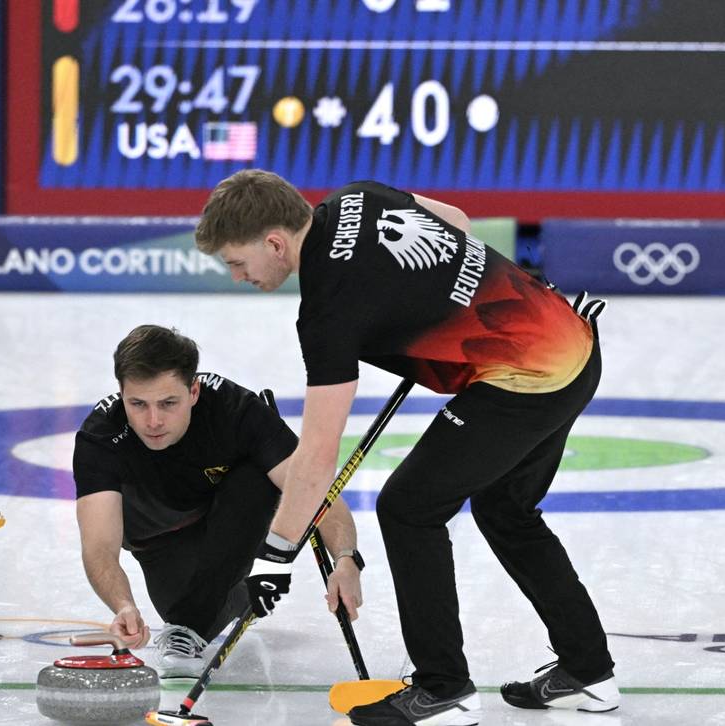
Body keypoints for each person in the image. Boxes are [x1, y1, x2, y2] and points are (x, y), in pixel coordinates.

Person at [195, 170, 619, 725]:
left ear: (275, 243)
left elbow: (319, 453)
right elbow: (458, 226)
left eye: (237, 262)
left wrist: (276, 553)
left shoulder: (326, 311)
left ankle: (443, 689)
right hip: (572, 342)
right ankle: (589, 671)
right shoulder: (358, 196)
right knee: (506, 509)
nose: (236, 276)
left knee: (408, 508)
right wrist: (424, 314)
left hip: (526, 382)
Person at [72, 324, 365, 678]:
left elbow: (314, 487)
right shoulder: (101, 437)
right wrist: (123, 604)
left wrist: (346, 559)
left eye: (168, 403)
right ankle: (233, 597)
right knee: (208, 608)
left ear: (193, 390)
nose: (153, 421)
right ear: (121, 394)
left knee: (259, 477)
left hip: (233, 525)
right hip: (159, 545)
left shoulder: (233, 409)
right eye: (138, 404)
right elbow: (99, 547)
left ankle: (199, 614)